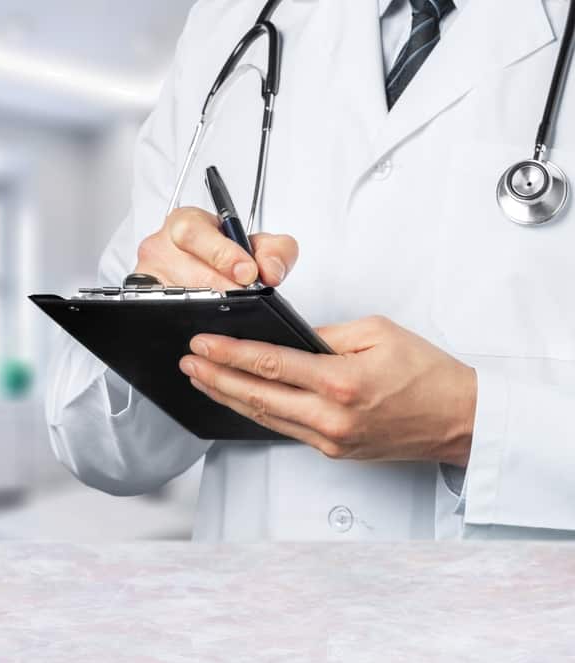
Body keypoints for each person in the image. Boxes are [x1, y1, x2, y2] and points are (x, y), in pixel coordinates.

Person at [46, 0, 575, 540]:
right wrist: (158, 325)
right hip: (262, 604)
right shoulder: (230, 21)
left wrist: (472, 424)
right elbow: (96, 445)